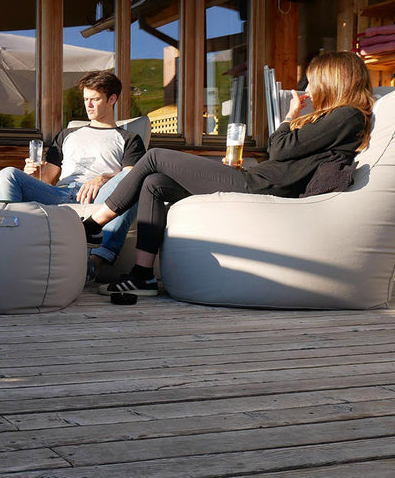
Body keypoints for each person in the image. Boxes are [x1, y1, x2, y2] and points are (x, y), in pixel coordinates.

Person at [83, 50, 375, 297]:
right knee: (155, 182)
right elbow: (286, 153)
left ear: (331, 81)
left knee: (155, 156)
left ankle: (95, 224)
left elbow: (279, 149)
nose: (307, 89)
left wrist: (289, 116)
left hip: (260, 185)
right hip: (259, 179)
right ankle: (142, 275)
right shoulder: (335, 118)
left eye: (312, 82)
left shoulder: (348, 114)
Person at [0, 71, 146, 283]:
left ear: (112, 99)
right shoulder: (67, 134)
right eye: (85, 99)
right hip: (60, 194)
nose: (88, 105)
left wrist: (105, 178)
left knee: (135, 179)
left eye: (95, 99)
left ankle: (96, 260)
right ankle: (11, 247)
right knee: (7, 175)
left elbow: (132, 176)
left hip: (100, 198)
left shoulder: (129, 139)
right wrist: (35, 172)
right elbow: (47, 178)